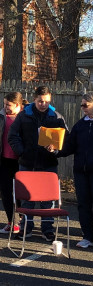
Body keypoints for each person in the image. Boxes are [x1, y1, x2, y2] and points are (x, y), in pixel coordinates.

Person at [47, 92, 93, 250]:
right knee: (83, 204)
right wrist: (56, 151)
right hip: (80, 170)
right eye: (82, 105)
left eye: (86, 105)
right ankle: (87, 236)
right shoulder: (80, 125)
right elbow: (70, 146)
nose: (83, 108)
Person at [8, 86, 68, 242]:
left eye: (46, 101)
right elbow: (13, 136)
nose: (43, 104)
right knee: (27, 198)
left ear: (50, 100)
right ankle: (26, 228)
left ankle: (47, 229)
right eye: (40, 101)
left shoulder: (56, 117)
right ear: (34, 99)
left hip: (48, 164)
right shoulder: (23, 116)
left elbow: (65, 139)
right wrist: (21, 151)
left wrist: (55, 149)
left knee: (47, 200)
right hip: (27, 163)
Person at [0, 92, 27, 234]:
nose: (5, 107)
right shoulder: (2, 117)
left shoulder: (25, 117)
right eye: (4, 104)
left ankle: (23, 221)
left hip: (21, 160)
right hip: (4, 159)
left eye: (8, 105)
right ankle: (12, 222)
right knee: (6, 192)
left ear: (18, 105)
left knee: (21, 193)